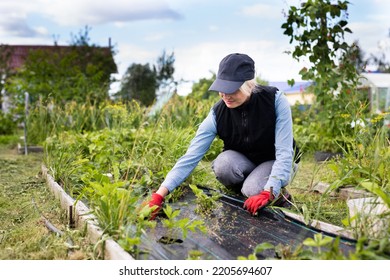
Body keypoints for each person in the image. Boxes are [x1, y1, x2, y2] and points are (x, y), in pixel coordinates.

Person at [147, 53, 299, 218]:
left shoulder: (274, 100)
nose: (225, 95)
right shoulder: (217, 114)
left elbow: (285, 153)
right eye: (221, 88)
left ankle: (276, 194)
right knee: (223, 164)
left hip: (276, 160)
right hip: (246, 163)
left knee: (253, 189)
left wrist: (268, 191)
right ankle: (250, 190)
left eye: (231, 89)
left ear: (249, 85)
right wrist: (159, 194)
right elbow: (190, 156)